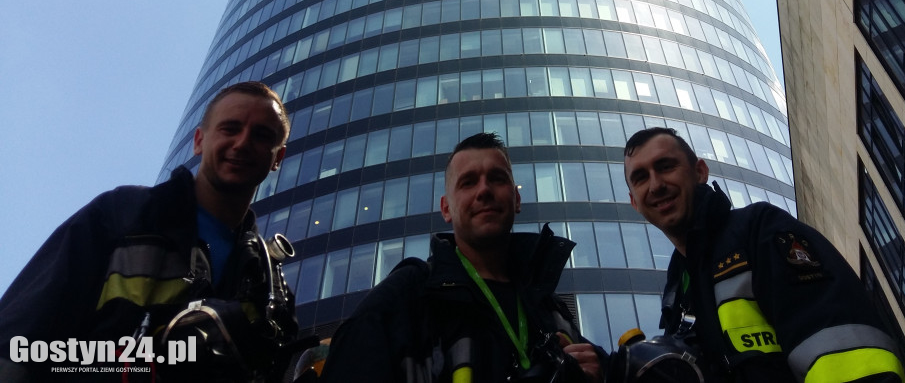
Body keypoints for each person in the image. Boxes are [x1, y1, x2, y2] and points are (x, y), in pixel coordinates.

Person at [0, 81, 300, 382]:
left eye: (261, 136)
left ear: (278, 157)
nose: (242, 143)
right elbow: (24, 329)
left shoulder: (270, 283)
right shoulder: (124, 213)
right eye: (230, 129)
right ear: (199, 140)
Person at [621, 127, 905, 383]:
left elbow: (842, 349)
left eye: (666, 166)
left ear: (700, 172)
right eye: (641, 177)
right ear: (634, 201)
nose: (656, 184)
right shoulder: (677, 296)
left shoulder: (759, 230)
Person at [321, 132, 605, 382]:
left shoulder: (551, 311)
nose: (484, 190)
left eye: (497, 178)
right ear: (446, 209)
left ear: (516, 200)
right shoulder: (407, 297)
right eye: (468, 182)